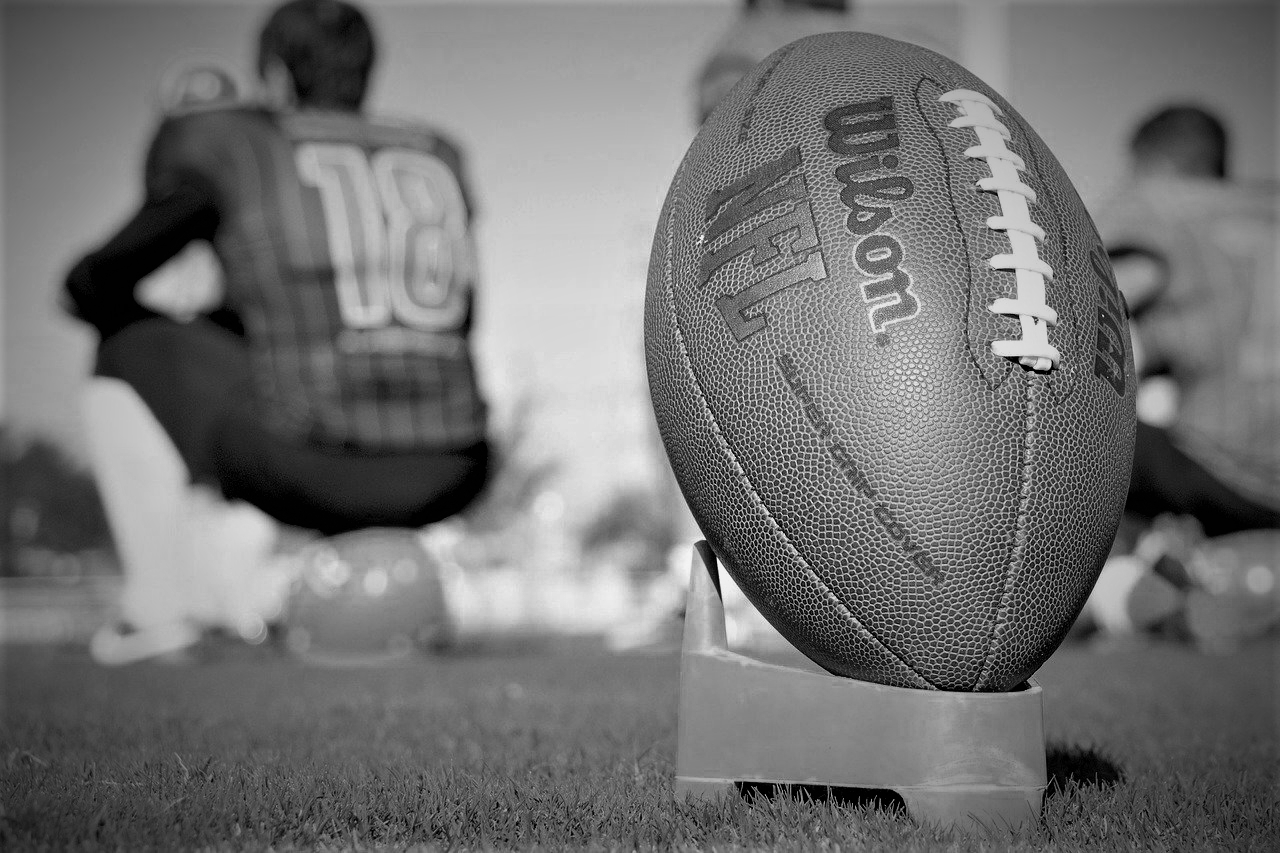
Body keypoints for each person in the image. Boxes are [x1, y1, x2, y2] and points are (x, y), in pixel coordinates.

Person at [64, 0, 491, 663]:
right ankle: (245, 588)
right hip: (453, 463)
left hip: (315, 457)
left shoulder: (247, 146)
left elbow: (98, 281)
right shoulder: (437, 154)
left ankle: (161, 609)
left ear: (276, 76)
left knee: (123, 342)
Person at [1080, 104, 1279, 644]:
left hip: (1225, 462)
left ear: (1154, 163)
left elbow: (1089, 313)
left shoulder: (1155, 206)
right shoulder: (1268, 206)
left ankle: (1071, 591)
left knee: (1054, 423)